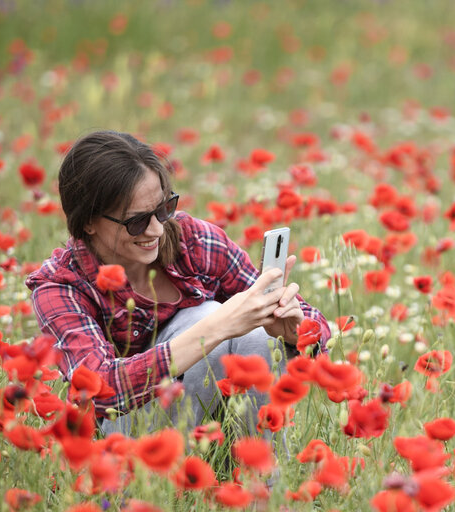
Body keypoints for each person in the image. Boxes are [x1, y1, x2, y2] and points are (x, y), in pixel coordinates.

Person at [26, 131, 331, 438]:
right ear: (88, 221)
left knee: (256, 333)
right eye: (137, 221)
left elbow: (316, 328)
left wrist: (297, 335)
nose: (157, 229)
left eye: (162, 209)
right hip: (126, 439)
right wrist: (217, 326)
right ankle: (169, 481)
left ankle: (260, 477)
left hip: (219, 423)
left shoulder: (194, 240)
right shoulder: (60, 286)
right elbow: (101, 389)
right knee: (207, 316)